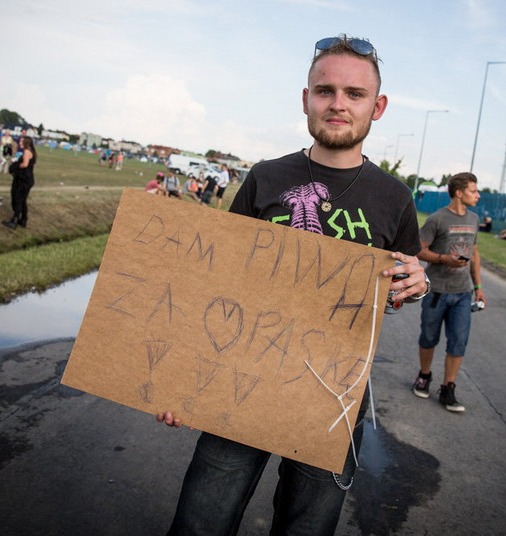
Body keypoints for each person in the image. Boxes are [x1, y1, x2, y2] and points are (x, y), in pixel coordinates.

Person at [157, 34, 428, 536]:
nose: (338, 104)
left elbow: (402, 279)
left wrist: (418, 281)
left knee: (307, 528)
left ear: (378, 106)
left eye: (354, 94)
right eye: (325, 91)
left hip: (333, 395)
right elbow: (215, 283)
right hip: (241, 377)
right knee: (201, 521)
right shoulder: (265, 178)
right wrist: (180, 379)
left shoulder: (395, 198)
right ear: (306, 98)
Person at [412, 171, 484, 413]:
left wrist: (478, 287)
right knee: (429, 338)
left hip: (463, 294)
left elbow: (474, 254)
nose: (478, 195)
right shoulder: (437, 219)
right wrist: (444, 258)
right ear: (459, 193)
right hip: (437, 292)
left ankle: (448, 387)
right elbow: (419, 250)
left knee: (458, 342)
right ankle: (424, 376)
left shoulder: (474, 219)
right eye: (474, 191)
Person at [3, 136, 36, 229]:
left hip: (23, 179)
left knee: (18, 199)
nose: (19, 143)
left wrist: (16, 166)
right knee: (22, 200)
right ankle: (24, 219)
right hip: (28, 179)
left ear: (26, 142)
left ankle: (15, 220)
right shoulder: (31, 151)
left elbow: (25, 164)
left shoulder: (27, 151)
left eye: (21, 141)